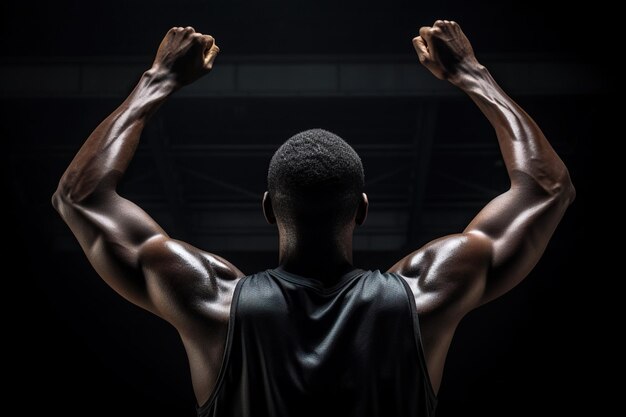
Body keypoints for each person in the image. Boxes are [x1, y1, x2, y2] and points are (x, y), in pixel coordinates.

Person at [52, 20, 575, 417]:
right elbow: (547, 187)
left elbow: (80, 196)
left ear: (266, 208)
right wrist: (472, 75)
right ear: (363, 210)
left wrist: (157, 80)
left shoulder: (210, 299)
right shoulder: (425, 295)